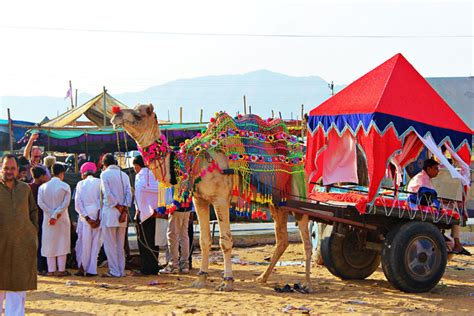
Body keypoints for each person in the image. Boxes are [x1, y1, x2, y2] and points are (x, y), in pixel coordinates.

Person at [0, 154, 38, 316]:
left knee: (17, 287)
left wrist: (31, 233)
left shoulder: (24, 189)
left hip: (21, 247)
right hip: (0, 246)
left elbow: (33, 212)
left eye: (12, 168)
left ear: (17, 170)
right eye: (6, 168)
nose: (9, 171)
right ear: (1, 168)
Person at [407, 158, 470, 255]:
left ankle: (454, 243)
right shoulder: (423, 179)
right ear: (429, 168)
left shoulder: (423, 177)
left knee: (453, 206)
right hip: (420, 207)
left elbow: (430, 198)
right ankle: (457, 243)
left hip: (421, 204)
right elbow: (429, 199)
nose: (438, 171)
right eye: (436, 168)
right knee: (455, 213)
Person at [100, 154, 132, 277]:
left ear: (105, 164)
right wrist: (123, 211)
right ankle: (120, 270)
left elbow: (107, 194)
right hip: (122, 213)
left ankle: (114, 271)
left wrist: (118, 207)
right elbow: (129, 194)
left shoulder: (104, 175)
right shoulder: (124, 175)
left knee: (110, 245)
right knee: (120, 245)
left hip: (110, 212)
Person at [38, 163, 72, 276]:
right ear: (62, 173)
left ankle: (51, 270)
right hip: (61, 219)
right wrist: (56, 215)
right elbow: (65, 204)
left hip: (48, 219)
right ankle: (61, 270)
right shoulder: (65, 186)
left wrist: (51, 214)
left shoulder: (43, 187)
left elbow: (40, 203)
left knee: (49, 243)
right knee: (62, 243)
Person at [132, 155, 161, 276]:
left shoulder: (139, 176)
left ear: (138, 166)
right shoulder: (155, 175)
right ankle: (154, 267)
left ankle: (146, 268)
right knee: (154, 241)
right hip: (156, 213)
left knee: (144, 242)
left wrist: (138, 210)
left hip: (143, 213)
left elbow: (139, 195)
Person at [74, 162, 102, 277]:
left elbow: (78, 203)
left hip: (85, 217)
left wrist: (86, 217)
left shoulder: (80, 184)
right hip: (98, 216)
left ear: (83, 174)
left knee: (84, 243)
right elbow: (102, 201)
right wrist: (99, 218)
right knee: (96, 244)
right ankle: (92, 270)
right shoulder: (100, 182)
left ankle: (82, 267)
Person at [160, 189, 192, 274]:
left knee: (172, 236)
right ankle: (184, 265)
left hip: (176, 207)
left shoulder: (173, 176)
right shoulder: (187, 175)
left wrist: (167, 207)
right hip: (186, 206)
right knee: (184, 236)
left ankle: (173, 265)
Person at [29, 166, 50, 275]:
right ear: (41, 176)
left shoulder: (28, 187)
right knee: (42, 242)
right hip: (42, 218)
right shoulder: (44, 187)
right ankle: (42, 267)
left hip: (31, 219)